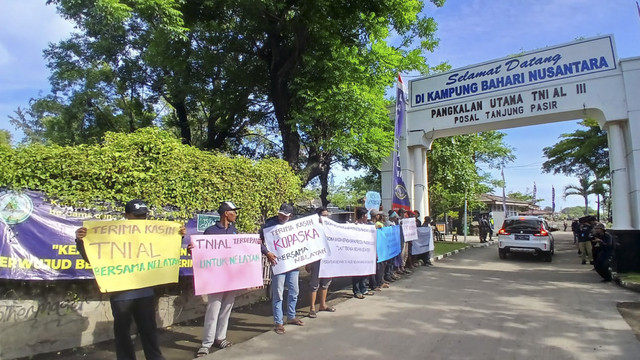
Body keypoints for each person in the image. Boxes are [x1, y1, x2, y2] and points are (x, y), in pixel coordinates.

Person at [75, 199, 186, 360]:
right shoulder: (111, 233)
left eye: (143, 215)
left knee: (149, 330)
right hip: (121, 294)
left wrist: (178, 237)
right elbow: (92, 258)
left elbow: (163, 249)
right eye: (137, 215)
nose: (141, 219)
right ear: (127, 215)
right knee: (123, 333)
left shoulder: (149, 232)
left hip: (145, 292)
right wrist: (80, 241)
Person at [194, 201, 241, 357]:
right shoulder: (210, 231)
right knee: (213, 310)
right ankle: (206, 343)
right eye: (234, 211)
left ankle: (220, 338)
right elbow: (202, 253)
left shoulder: (234, 231)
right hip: (216, 278)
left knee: (227, 308)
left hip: (231, 277)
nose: (236, 214)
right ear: (226, 213)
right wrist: (192, 250)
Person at [260, 203, 303, 335]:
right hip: (278, 264)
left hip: (293, 264)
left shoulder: (296, 224)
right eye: (280, 214)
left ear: (290, 216)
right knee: (278, 294)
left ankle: (291, 316)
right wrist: (267, 252)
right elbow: (259, 241)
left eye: (285, 215)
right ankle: (278, 322)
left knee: (294, 291)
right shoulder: (269, 224)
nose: (281, 217)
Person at [307, 207, 335, 319]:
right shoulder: (312, 229)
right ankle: (312, 308)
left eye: (327, 215)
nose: (326, 217)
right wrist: (308, 262)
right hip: (316, 259)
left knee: (326, 283)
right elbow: (308, 245)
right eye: (323, 215)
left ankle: (323, 305)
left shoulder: (331, 228)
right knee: (314, 284)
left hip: (328, 260)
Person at [352, 207, 374, 299]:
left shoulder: (368, 226)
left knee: (365, 272)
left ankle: (363, 289)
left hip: (367, 252)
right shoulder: (355, 226)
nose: (367, 217)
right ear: (362, 216)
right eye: (366, 215)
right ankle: (356, 291)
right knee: (357, 273)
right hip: (357, 253)